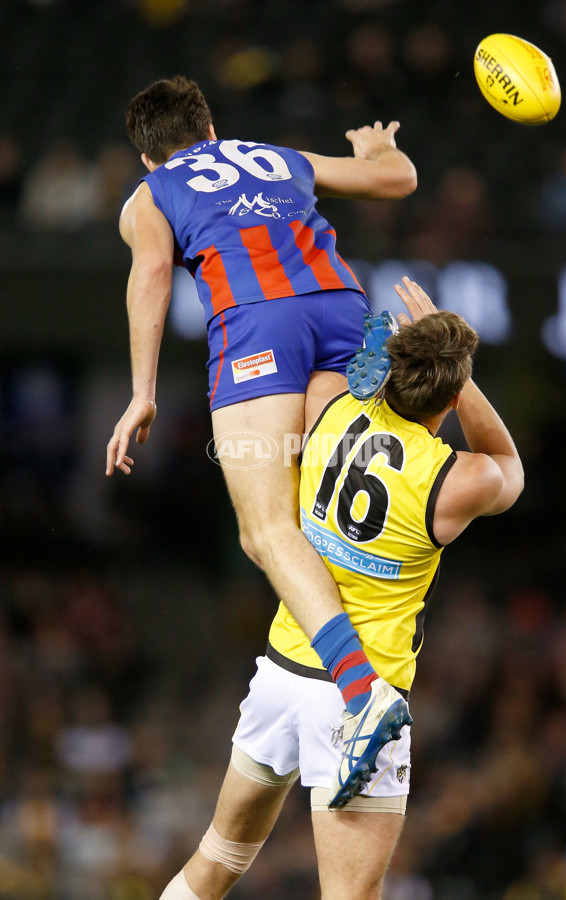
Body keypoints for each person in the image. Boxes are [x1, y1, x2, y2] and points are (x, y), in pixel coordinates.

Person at [158, 277, 525, 900]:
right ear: (451, 394)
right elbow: (509, 464)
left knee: (216, 859)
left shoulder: (328, 404)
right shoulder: (451, 482)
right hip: (360, 700)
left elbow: (331, 365)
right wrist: (462, 386)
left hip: (282, 668)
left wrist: (406, 364)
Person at [105, 75, 418, 800]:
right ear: (211, 129)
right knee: (319, 493)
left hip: (256, 323)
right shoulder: (277, 158)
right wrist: (379, 148)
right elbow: (397, 180)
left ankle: (361, 689)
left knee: (264, 527)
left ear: (147, 157)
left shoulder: (150, 196)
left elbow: (152, 270)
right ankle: (368, 383)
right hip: (340, 302)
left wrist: (142, 393)